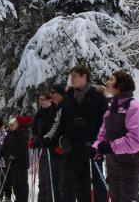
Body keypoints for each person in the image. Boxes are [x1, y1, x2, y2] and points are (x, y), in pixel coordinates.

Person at [54, 66, 108, 202]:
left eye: (75, 76)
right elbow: (63, 122)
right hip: (74, 147)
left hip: (93, 146)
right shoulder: (68, 98)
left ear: (84, 77)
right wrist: (61, 139)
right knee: (78, 183)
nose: (72, 79)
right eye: (71, 76)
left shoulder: (98, 97)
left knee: (97, 183)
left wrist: (96, 142)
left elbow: (104, 123)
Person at [93, 70, 139, 202]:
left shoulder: (134, 107)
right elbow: (102, 135)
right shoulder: (111, 109)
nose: (106, 82)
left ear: (121, 84)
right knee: (116, 197)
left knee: (128, 198)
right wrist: (96, 148)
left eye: (111, 80)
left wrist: (111, 147)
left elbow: (136, 140)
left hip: (129, 161)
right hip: (112, 162)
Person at [31, 92, 58, 202]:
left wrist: (46, 139)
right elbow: (35, 128)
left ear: (49, 100)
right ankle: (42, 198)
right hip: (41, 146)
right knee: (42, 174)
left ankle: (50, 198)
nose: (40, 101)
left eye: (43, 99)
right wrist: (35, 139)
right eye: (39, 99)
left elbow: (54, 128)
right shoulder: (39, 112)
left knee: (50, 174)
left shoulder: (54, 111)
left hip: (51, 146)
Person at [2, 115, 32, 202]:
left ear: (19, 124)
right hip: (13, 163)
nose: (13, 124)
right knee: (15, 185)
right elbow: (6, 147)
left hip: (21, 163)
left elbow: (20, 148)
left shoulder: (24, 133)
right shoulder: (12, 133)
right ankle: (18, 199)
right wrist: (7, 154)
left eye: (15, 122)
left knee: (22, 184)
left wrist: (13, 155)